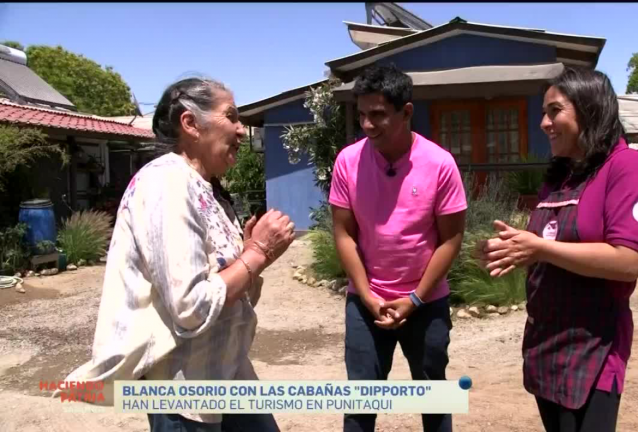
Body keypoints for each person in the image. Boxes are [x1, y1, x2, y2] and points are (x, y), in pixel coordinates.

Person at [57, 77, 295, 432]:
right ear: (190, 124)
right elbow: (190, 307)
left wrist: (252, 257)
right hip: (184, 389)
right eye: (231, 116)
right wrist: (257, 253)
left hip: (227, 372)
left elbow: (235, 295)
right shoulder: (166, 184)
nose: (242, 130)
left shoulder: (208, 191)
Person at [476, 67, 638, 432]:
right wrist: (514, 248)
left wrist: (541, 249)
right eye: (543, 113)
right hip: (547, 343)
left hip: (595, 344)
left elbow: (629, 261)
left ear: (589, 110)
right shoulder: (561, 177)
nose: (544, 123)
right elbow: (549, 243)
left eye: (555, 111)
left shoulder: (626, 167)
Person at [329, 64, 467, 432]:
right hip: (365, 303)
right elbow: (343, 233)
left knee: (434, 396)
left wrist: (416, 299)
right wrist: (367, 293)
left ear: (406, 112)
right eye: (361, 115)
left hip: (426, 302)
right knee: (360, 401)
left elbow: (451, 238)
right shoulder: (348, 162)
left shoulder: (440, 164)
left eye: (378, 115)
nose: (367, 125)